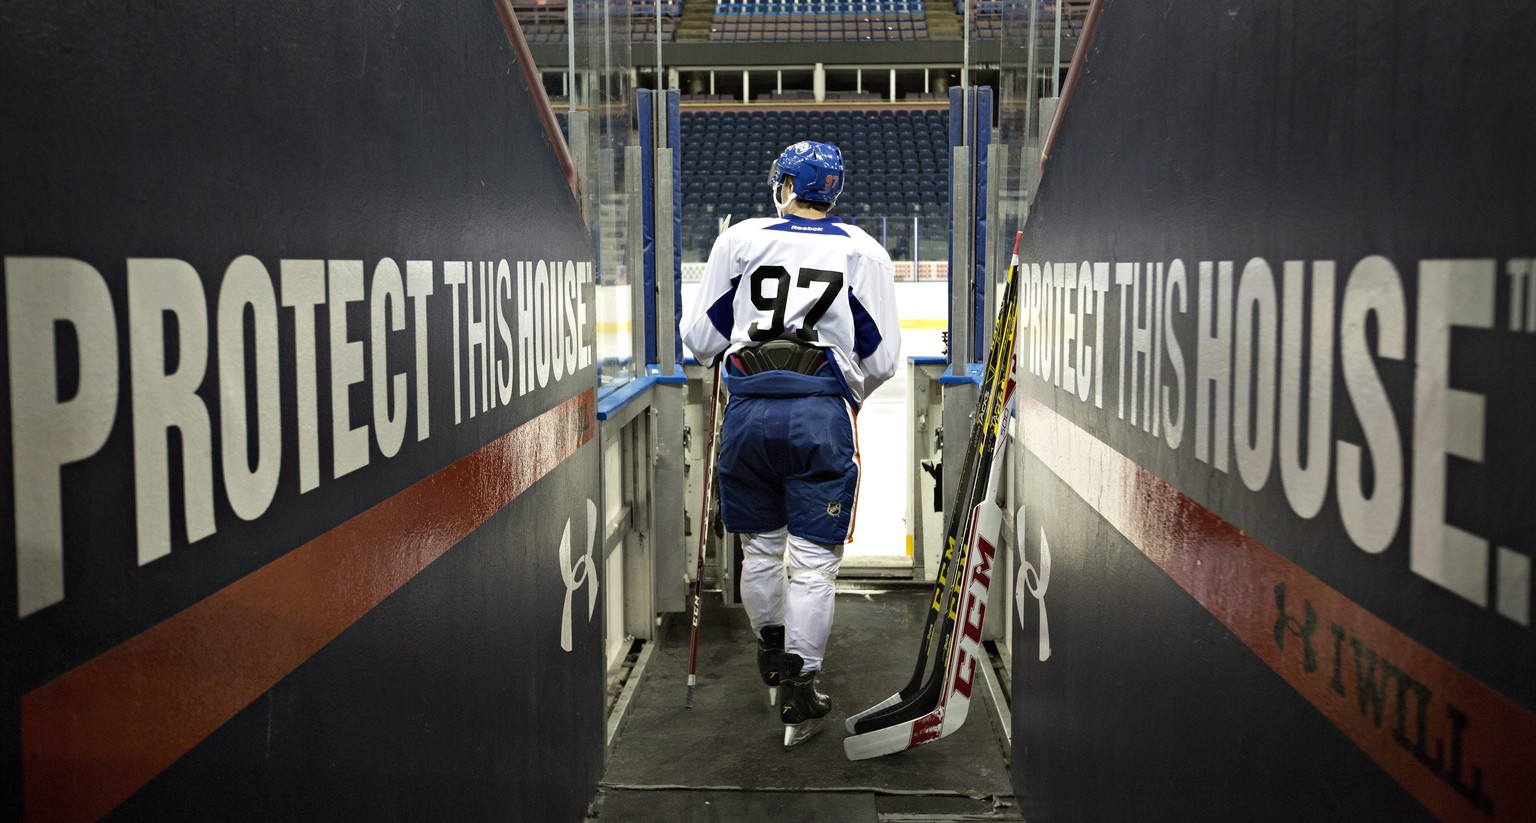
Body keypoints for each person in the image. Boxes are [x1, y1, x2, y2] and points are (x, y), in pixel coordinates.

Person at [680, 140, 902, 748]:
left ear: (784, 184)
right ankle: (801, 690)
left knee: (759, 549)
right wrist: (841, 398)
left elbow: (700, 338)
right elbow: (882, 358)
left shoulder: (740, 239)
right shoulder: (865, 249)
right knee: (812, 564)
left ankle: (772, 655)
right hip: (818, 414)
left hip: (748, 413)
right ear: (832, 189)